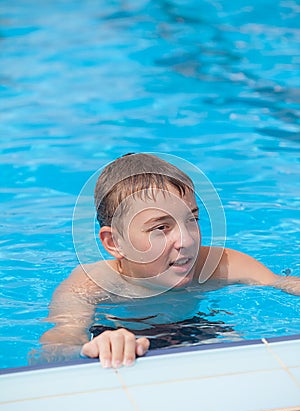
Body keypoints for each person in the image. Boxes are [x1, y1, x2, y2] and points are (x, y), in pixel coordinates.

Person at [33, 153, 299, 368]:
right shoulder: (91, 285)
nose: (186, 240)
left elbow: (283, 284)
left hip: (195, 330)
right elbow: (55, 346)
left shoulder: (218, 264)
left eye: (192, 219)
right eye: (160, 228)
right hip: (119, 339)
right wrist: (89, 348)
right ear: (115, 243)